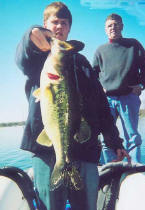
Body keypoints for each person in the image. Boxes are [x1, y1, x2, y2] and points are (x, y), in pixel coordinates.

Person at [15, 4, 130, 210]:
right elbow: (23, 55)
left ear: (69, 28)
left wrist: (114, 141)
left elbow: (101, 106)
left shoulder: (82, 62)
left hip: (85, 150)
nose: (59, 26)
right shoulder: (39, 57)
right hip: (46, 150)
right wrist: (31, 36)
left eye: (64, 23)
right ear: (46, 25)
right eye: (54, 22)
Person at [93, 13, 145, 164]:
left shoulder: (133, 45)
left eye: (116, 24)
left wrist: (142, 85)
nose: (113, 28)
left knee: (133, 137)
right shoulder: (100, 50)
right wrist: (100, 90)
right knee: (107, 137)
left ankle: (134, 169)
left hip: (128, 97)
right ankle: (111, 171)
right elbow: (93, 75)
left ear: (122, 26)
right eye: (110, 25)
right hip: (107, 101)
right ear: (105, 30)